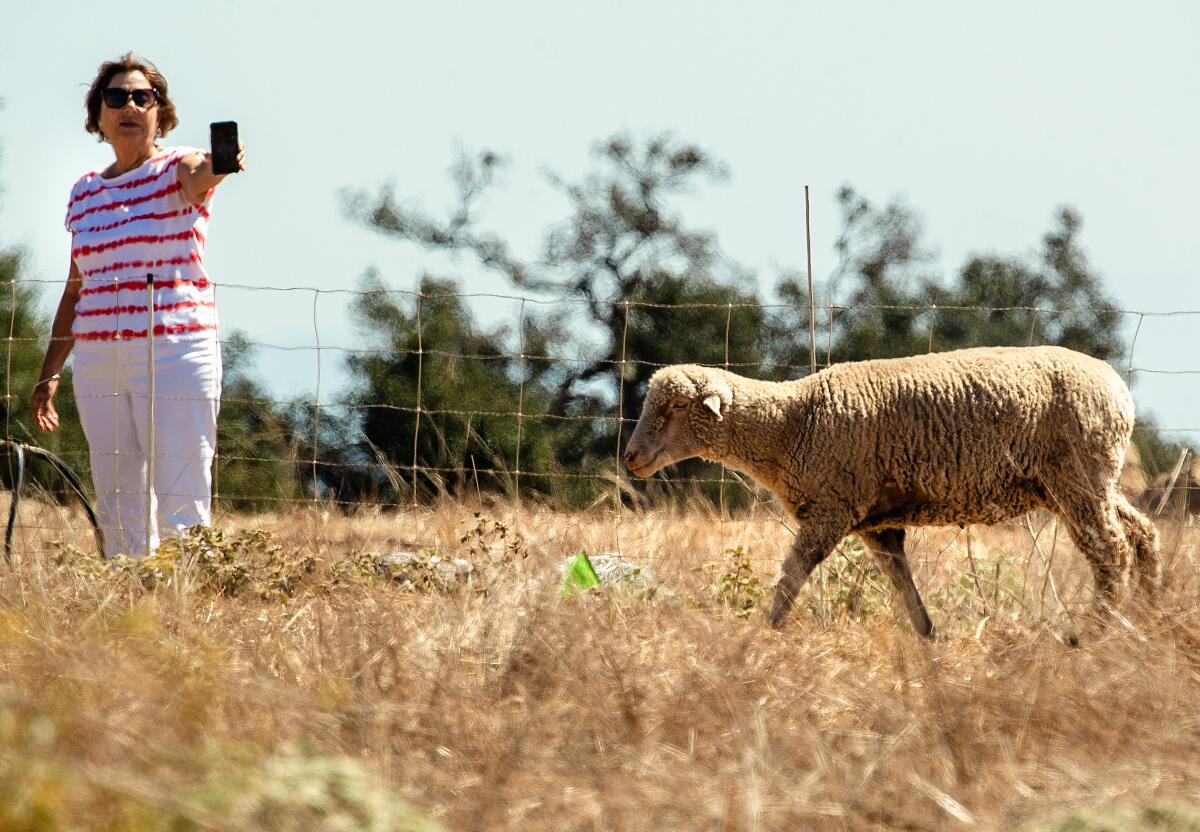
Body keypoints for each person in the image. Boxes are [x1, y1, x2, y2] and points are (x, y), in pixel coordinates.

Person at [30, 53, 244, 558]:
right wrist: (50, 372)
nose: (129, 105)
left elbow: (202, 174)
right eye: (116, 96)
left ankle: (188, 614)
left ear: (160, 112)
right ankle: (130, 621)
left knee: (181, 495)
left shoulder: (177, 168)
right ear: (98, 115)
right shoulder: (84, 192)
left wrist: (221, 162)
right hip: (99, 362)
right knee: (118, 501)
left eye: (142, 97)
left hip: (174, 351)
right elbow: (75, 288)